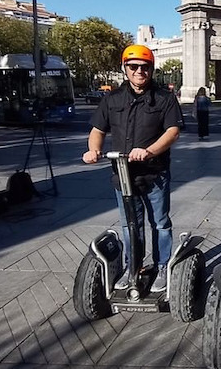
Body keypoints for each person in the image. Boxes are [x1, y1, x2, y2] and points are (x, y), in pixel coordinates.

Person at [82, 45, 183, 293]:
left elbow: (173, 131)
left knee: (159, 222)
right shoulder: (112, 99)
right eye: (133, 66)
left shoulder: (164, 99)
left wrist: (149, 151)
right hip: (123, 175)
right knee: (129, 224)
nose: (139, 71)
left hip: (154, 173)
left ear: (152, 69)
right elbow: (98, 130)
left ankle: (162, 266)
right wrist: (93, 150)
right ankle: (133, 267)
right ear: (125, 68)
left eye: (145, 67)